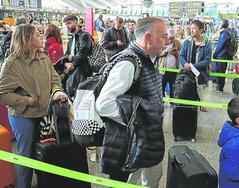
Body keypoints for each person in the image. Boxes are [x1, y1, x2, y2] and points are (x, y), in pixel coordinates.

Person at [96, 17, 167, 187]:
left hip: (146, 140)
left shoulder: (147, 59)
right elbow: (104, 104)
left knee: (151, 178)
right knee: (130, 182)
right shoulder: (129, 63)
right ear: (148, 38)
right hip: (130, 144)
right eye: (163, 36)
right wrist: (140, 121)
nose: (166, 41)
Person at [0, 24, 68, 188]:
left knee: (45, 151)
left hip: (44, 113)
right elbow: (2, 93)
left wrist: (57, 92)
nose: (42, 37)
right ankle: (23, 185)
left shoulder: (43, 57)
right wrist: (27, 101)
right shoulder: (12, 63)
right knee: (26, 154)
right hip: (23, 115)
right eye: (37, 35)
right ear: (26, 39)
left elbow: (54, 80)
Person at [179, 20, 212, 113]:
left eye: (194, 28)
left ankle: (201, 105)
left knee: (201, 90)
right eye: (191, 28)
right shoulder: (187, 42)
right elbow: (181, 55)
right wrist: (185, 64)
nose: (192, 30)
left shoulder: (207, 44)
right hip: (187, 72)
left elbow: (207, 60)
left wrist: (193, 66)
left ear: (201, 30)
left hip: (200, 73)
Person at [63, 15, 93, 97]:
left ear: (76, 22)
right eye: (66, 24)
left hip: (83, 71)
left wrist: (73, 64)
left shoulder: (84, 36)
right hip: (73, 70)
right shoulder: (71, 40)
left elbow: (83, 53)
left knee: (82, 95)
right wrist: (66, 64)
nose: (67, 26)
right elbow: (66, 54)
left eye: (69, 23)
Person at [159, 29, 181, 99]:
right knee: (162, 86)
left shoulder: (177, 42)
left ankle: (172, 100)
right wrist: (165, 51)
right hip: (164, 69)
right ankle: (162, 100)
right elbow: (158, 54)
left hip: (174, 69)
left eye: (172, 38)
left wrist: (175, 53)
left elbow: (181, 54)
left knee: (173, 86)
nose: (170, 40)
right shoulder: (162, 42)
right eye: (169, 38)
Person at [212, 19, 231, 93]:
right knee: (221, 72)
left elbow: (220, 45)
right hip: (223, 55)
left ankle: (220, 88)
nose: (219, 24)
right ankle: (219, 87)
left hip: (221, 56)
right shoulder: (227, 32)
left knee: (220, 72)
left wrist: (215, 53)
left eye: (221, 23)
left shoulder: (225, 34)